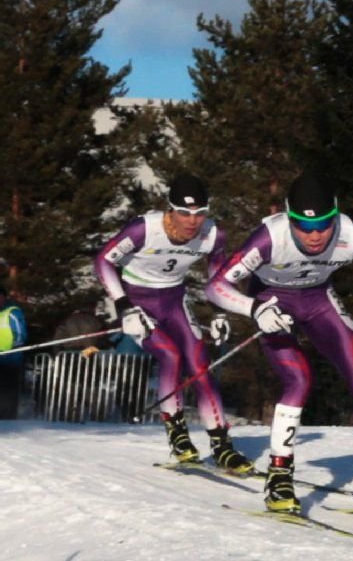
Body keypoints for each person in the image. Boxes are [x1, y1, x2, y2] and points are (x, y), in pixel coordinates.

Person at [206, 171, 353, 511]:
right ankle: (280, 476)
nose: (314, 235)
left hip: (318, 299)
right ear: (288, 217)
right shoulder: (269, 237)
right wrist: (254, 309)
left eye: (323, 225)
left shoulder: (351, 231)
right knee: (299, 379)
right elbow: (216, 286)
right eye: (303, 226)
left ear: (335, 215)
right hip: (272, 300)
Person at [93, 175, 252, 471]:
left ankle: (222, 446)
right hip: (137, 301)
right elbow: (103, 261)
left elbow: (218, 277)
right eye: (184, 213)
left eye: (200, 213)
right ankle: (178, 435)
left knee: (200, 363)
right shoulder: (144, 229)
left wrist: (219, 313)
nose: (192, 221)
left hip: (174, 299)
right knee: (170, 355)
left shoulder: (213, 234)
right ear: (170, 209)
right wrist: (123, 305)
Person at [0, 285, 26, 419]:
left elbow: (20, 336)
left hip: (9, 359)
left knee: (7, 391)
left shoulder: (12, 312)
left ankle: (8, 417)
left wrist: (10, 351)